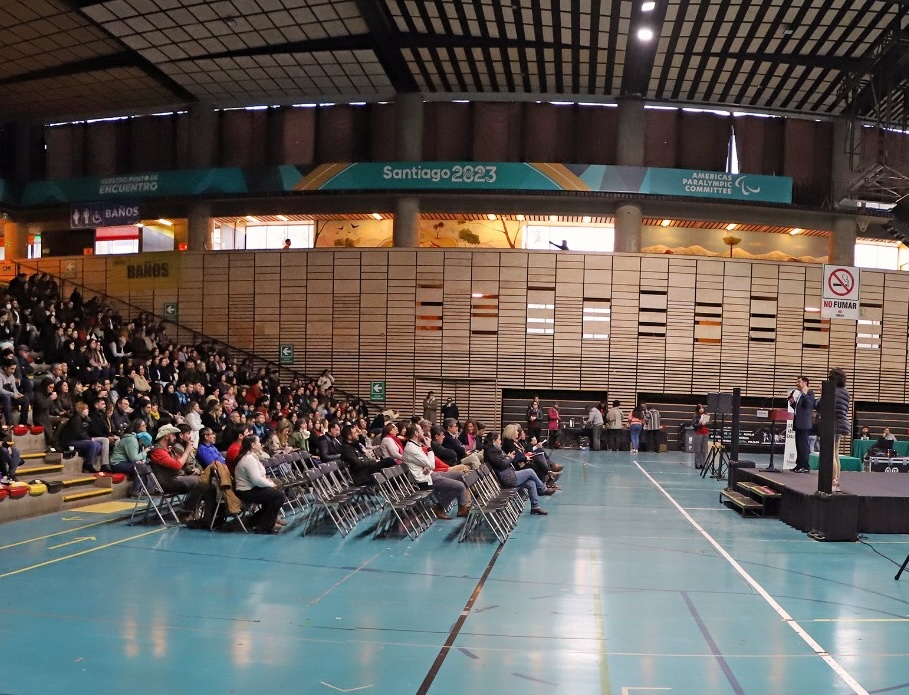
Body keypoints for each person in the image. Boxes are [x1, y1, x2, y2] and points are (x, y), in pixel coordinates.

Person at [401, 423, 470, 519]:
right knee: (459, 486)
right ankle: (440, 507)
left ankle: (462, 507)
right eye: (421, 430)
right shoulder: (412, 449)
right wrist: (429, 447)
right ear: (416, 433)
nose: (423, 432)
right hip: (425, 480)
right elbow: (432, 465)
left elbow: (428, 464)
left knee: (461, 475)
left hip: (430, 474)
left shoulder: (416, 446)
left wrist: (427, 466)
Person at [483, 430, 551, 516]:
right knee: (530, 471)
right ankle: (543, 488)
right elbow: (502, 464)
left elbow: (503, 461)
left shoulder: (494, 451)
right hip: (507, 479)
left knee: (531, 483)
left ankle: (535, 507)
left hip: (508, 475)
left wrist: (507, 457)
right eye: (499, 440)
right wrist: (509, 458)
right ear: (493, 441)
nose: (500, 442)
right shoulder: (491, 452)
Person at [234, 434, 288, 534]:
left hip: (253, 488)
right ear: (253, 445)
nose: (261, 444)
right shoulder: (248, 459)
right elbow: (256, 480)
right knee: (279, 496)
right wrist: (270, 484)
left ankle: (255, 520)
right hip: (246, 491)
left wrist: (269, 482)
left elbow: (260, 476)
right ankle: (265, 526)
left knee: (276, 490)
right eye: (258, 442)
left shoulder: (253, 457)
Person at [825, 368, 850, 492]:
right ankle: (837, 480)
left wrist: (823, 393)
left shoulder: (831, 391)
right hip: (842, 423)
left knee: (830, 454)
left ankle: (833, 480)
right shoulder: (846, 392)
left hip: (832, 424)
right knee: (836, 453)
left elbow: (823, 405)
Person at [789, 375, 816, 473]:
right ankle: (799, 464)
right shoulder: (800, 394)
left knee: (804, 446)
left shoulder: (809, 393)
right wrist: (792, 403)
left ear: (805, 383)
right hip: (798, 423)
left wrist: (804, 394)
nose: (797, 384)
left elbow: (809, 405)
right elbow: (800, 408)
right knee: (798, 445)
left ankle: (805, 466)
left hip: (804, 424)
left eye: (799, 382)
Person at [690, 405, 710, 470]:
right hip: (698, 433)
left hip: (705, 433)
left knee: (704, 450)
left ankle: (703, 464)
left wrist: (706, 423)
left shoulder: (706, 415)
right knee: (698, 450)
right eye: (700, 408)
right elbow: (694, 425)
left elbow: (709, 423)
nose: (701, 409)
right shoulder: (695, 416)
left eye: (702, 408)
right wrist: (700, 424)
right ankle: (697, 464)